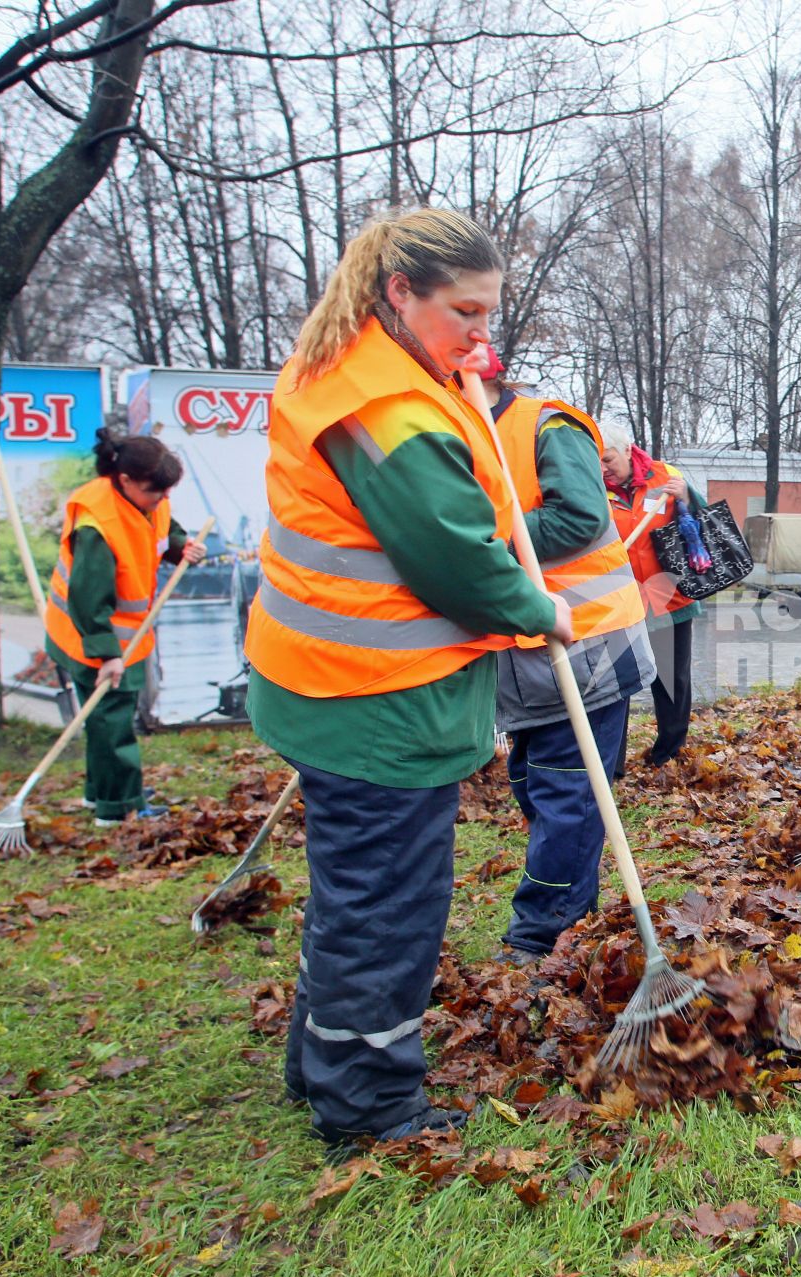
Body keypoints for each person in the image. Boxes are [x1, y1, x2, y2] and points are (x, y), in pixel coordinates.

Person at [243, 208, 574, 1149]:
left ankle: (323, 1067)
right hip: (375, 703)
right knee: (387, 907)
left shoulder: (357, 369)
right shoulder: (388, 412)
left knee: (351, 891)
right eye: (463, 312)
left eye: (489, 314)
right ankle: (370, 1103)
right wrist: (535, 607)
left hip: (324, 686)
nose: (482, 334)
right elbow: (455, 562)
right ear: (400, 293)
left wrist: (459, 379)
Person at [485, 379, 654, 963]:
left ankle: (543, 930)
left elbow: (578, 519)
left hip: (587, 650)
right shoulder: (452, 425)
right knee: (533, 787)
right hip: (518, 659)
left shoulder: (547, 426)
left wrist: (470, 543)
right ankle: (572, 900)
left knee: (569, 797)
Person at [43, 430, 205, 825]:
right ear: (126, 480)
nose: (162, 499)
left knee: (103, 718)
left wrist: (181, 546)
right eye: (155, 491)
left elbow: (163, 529)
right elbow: (87, 599)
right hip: (92, 636)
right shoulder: (95, 526)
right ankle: (120, 808)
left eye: (167, 492)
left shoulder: (147, 499)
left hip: (121, 636)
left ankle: (101, 795)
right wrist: (106, 656)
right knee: (112, 721)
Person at [597, 422, 703, 773]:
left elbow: (701, 521)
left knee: (672, 682)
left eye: (608, 459)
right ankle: (613, 762)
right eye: (597, 460)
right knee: (616, 686)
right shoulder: (594, 487)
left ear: (628, 450)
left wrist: (686, 497)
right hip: (618, 603)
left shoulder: (665, 476)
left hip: (667, 599)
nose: (603, 468)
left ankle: (668, 754)